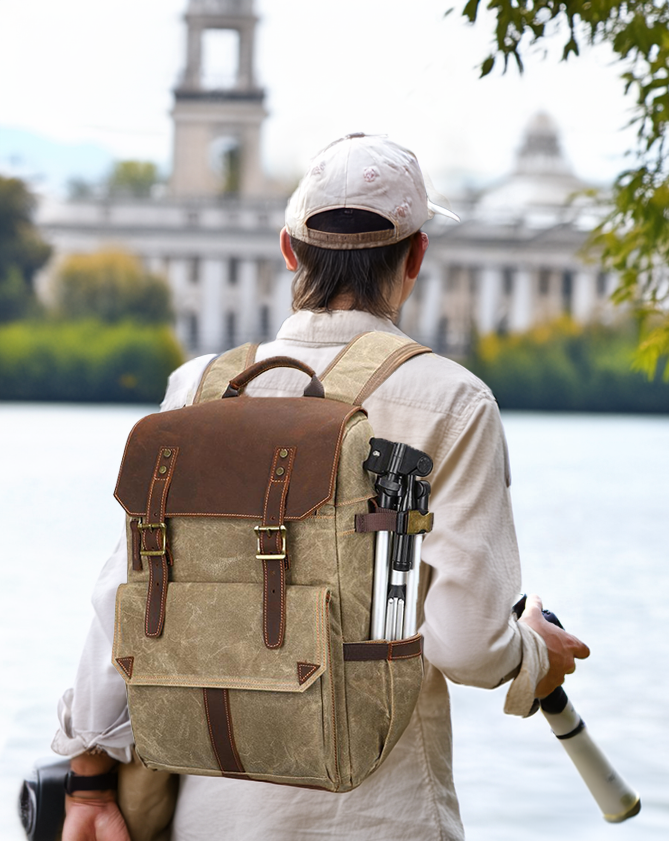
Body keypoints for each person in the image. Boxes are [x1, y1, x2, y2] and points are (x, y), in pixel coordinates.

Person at [55, 133, 590, 841]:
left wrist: (88, 782)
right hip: (383, 819)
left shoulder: (199, 386)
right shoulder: (452, 401)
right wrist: (531, 654)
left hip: (212, 815)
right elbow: (464, 645)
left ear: (288, 251)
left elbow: (120, 600)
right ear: (416, 257)